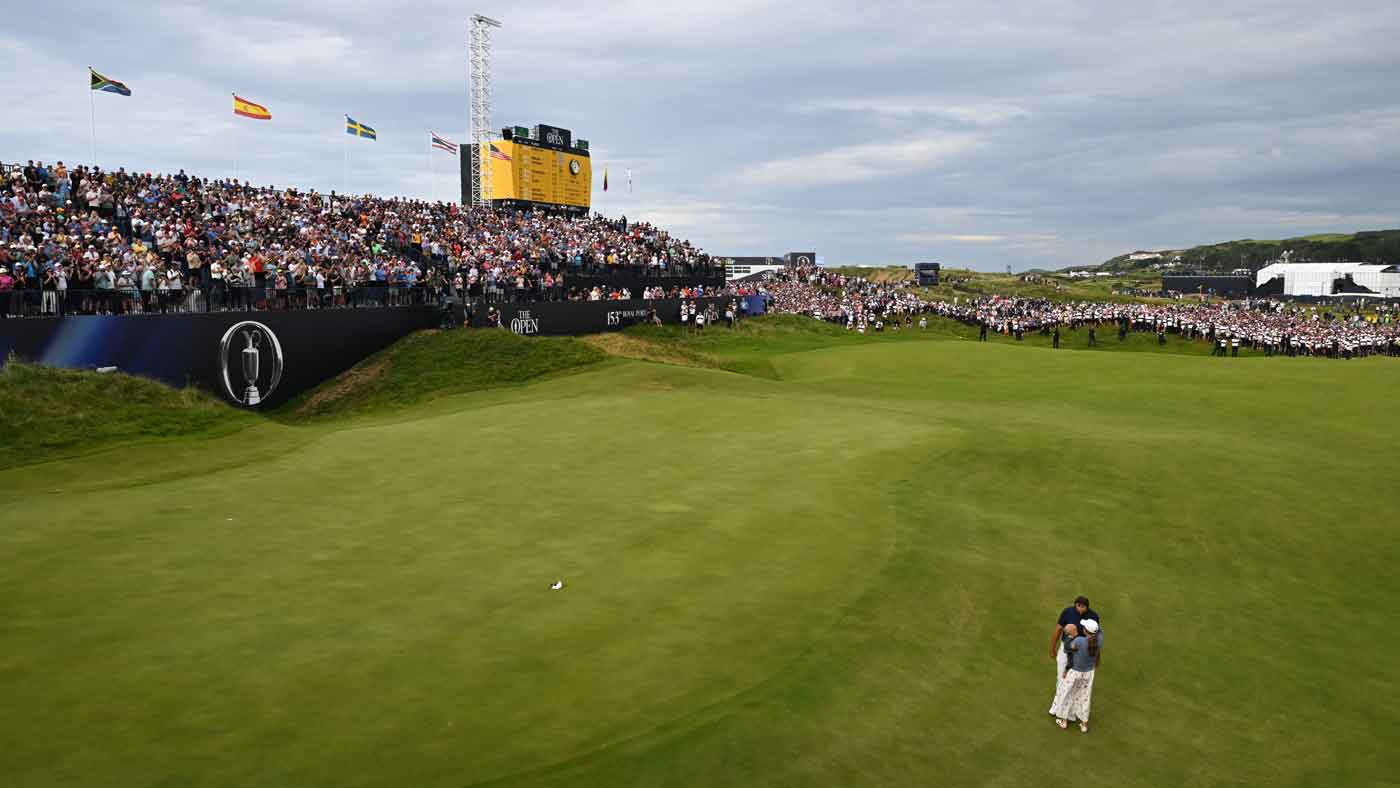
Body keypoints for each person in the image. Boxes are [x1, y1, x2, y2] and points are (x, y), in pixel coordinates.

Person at [1048, 618, 1101, 732]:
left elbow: (1068, 648)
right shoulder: (1099, 640)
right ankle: (1084, 724)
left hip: (1075, 672)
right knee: (1085, 697)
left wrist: (1069, 636)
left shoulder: (1080, 641)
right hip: (1089, 673)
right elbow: (1098, 633)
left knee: (1067, 693)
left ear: (1086, 630)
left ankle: (1063, 721)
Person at [1050, 595, 1099, 678]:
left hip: (1081, 650)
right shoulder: (1067, 612)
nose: (1080, 608)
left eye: (1082, 606)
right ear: (1075, 605)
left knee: (1077, 677)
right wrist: (1052, 648)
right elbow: (1058, 630)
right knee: (1061, 675)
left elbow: (1094, 636)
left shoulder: (1093, 616)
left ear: (1087, 607)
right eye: (1078, 606)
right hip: (1066, 647)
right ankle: (1060, 690)